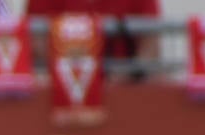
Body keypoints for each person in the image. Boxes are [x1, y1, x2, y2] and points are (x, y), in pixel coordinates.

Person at [26, 0, 162, 81]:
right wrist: (70, 78)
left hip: (123, 86)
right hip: (59, 88)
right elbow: (36, 44)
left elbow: (151, 45)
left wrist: (128, 73)